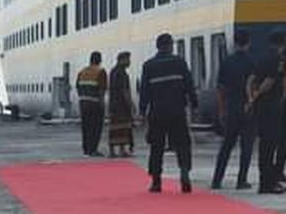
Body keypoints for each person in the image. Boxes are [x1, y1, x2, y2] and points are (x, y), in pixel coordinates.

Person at [140, 33, 198, 193]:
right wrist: (194, 103)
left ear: (157, 46)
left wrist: (142, 111)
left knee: (156, 147)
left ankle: (156, 182)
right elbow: (189, 84)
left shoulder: (149, 66)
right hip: (177, 110)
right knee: (182, 144)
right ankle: (184, 173)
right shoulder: (179, 62)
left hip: (157, 112)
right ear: (170, 46)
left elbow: (144, 91)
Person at [211, 29, 257, 190]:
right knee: (247, 146)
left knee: (226, 146)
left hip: (231, 106)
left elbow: (220, 88)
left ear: (234, 42)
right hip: (247, 107)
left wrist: (222, 110)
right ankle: (241, 180)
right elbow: (253, 87)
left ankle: (217, 180)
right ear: (248, 42)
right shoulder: (252, 62)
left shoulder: (226, 62)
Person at [253, 31, 286, 194]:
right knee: (272, 145)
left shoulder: (260, 58)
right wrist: (281, 99)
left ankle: (267, 181)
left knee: (265, 145)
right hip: (272, 106)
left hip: (261, 106)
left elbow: (251, 79)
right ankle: (268, 183)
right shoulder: (279, 59)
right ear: (284, 42)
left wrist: (252, 97)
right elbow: (278, 81)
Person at [75, 52, 108, 156]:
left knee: (86, 127)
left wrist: (83, 98)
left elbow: (78, 87)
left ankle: (86, 149)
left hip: (83, 103)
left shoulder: (82, 72)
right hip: (95, 104)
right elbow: (102, 91)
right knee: (95, 128)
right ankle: (93, 149)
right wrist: (102, 105)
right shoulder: (100, 71)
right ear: (99, 60)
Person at [107, 52, 135, 157]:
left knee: (114, 127)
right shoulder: (122, 73)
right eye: (128, 59)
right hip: (121, 105)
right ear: (121, 59)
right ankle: (122, 150)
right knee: (123, 127)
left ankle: (112, 151)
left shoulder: (113, 72)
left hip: (113, 104)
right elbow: (125, 90)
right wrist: (131, 104)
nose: (129, 62)